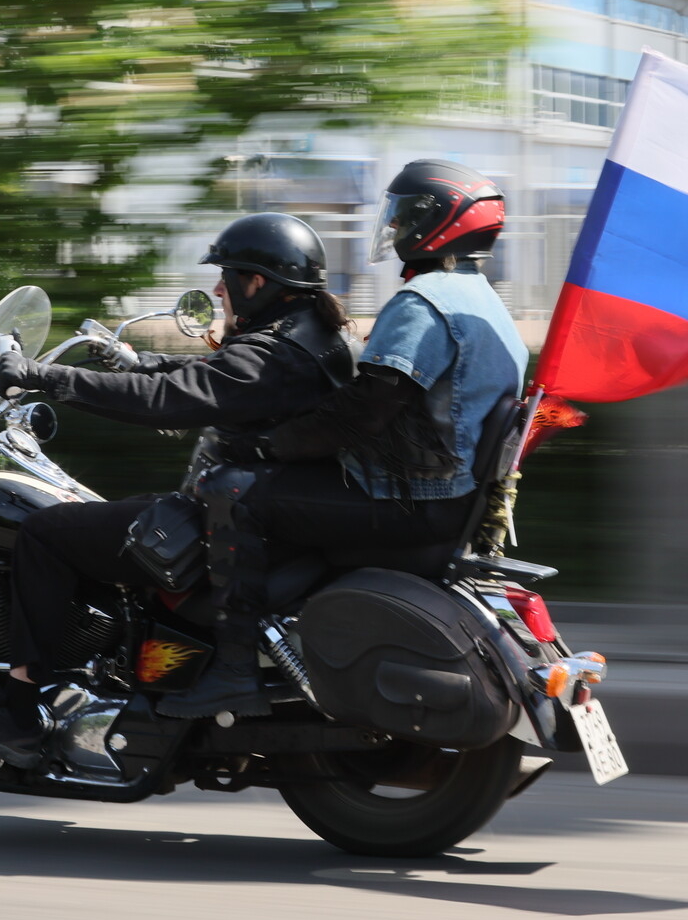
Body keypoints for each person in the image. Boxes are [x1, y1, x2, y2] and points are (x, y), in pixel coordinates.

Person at [0, 212, 354, 766]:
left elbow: (174, 398)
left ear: (261, 283)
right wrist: (139, 360)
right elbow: (209, 378)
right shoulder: (309, 337)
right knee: (109, 516)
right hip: (254, 515)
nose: (219, 287)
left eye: (228, 275)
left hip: (234, 523)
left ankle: (18, 707)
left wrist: (40, 377)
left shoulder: (276, 355)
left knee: (45, 532)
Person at [153, 158, 529, 720]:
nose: (396, 228)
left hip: (416, 500)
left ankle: (232, 667)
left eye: (406, 216)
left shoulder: (424, 302)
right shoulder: (484, 302)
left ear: (440, 221)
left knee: (234, 487)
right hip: (452, 499)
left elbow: (364, 412)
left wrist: (264, 445)